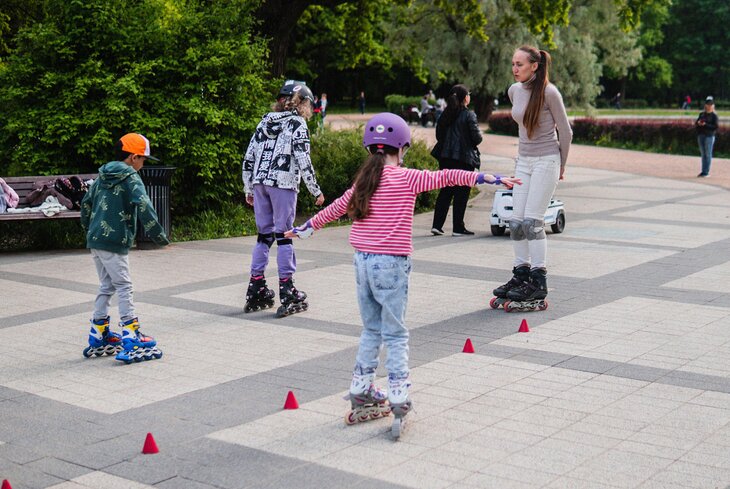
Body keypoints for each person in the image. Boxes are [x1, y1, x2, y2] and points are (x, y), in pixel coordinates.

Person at [284, 113, 520, 438]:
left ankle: (361, 387)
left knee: (371, 329)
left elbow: (336, 207)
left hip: (362, 263)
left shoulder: (364, 181)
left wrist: (306, 228)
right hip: (391, 264)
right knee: (395, 334)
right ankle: (397, 393)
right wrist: (489, 179)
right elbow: (448, 176)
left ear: (371, 149)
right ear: (402, 147)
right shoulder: (407, 178)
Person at [492, 45, 572, 312]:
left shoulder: (550, 92)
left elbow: (566, 131)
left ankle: (538, 280)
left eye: (520, 64)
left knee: (533, 221)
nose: (515, 69)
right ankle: (521, 273)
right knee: (515, 222)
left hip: (546, 160)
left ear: (534, 66)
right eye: (513, 64)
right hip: (523, 161)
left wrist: (561, 164)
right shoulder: (514, 90)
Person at [80, 133, 169, 363]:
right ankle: (131, 333)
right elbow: (144, 205)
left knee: (107, 285)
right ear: (132, 157)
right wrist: (159, 236)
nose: (143, 164)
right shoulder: (130, 177)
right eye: (142, 159)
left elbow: (86, 204)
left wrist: (89, 230)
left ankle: (99, 332)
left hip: (96, 239)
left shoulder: (102, 175)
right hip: (114, 240)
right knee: (124, 285)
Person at [242, 80, 325, 317]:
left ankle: (256, 285)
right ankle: (287, 290)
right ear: (301, 102)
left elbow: (249, 157)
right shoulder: (298, 124)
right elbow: (303, 159)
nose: (310, 109)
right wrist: (315, 191)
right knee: (285, 235)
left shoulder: (265, 121)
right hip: (284, 184)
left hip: (260, 183)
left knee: (263, 236)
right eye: (309, 103)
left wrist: (248, 188)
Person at [430, 84, 482, 236]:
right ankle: (458, 228)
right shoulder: (469, 115)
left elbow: (439, 136)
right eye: (469, 94)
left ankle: (437, 225)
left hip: (445, 158)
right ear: (465, 98)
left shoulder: (445, 114)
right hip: (464, 159)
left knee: (445, 191)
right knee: (462, 193)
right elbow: (477, 138)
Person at [695, 96, 719, 177]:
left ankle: (706, 171)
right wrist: (698, 123)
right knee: (703, 154)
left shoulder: (714, 116)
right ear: (705, 105)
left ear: (713, 106)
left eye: (710, 104)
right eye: (707, 104)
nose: (709, 106)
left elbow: (715, 127)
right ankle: (703, 170)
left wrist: (706, 125)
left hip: (709, 136)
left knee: (708, 154)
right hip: (701, 135)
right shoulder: (702, 114)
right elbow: (696, 124)